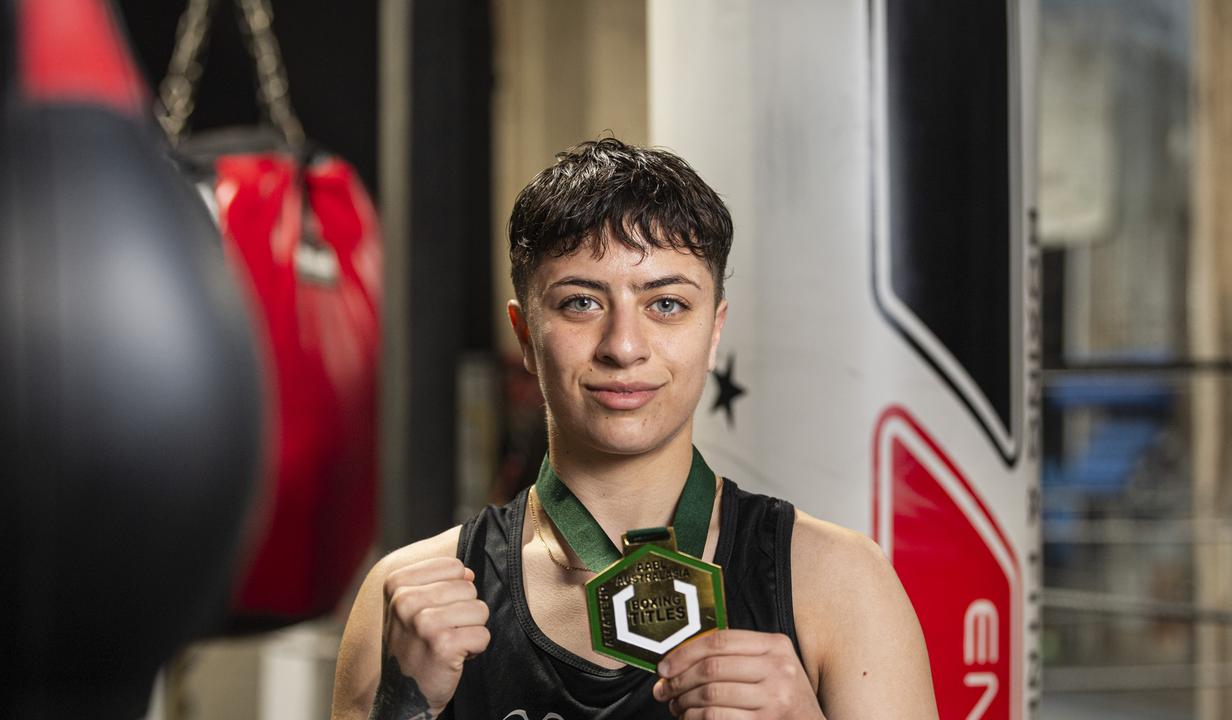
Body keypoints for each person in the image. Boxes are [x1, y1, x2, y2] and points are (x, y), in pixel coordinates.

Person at [331, 138, 937, 719]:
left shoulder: (836, 582)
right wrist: (403, 706)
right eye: (581, 303)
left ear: (714, 330)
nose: (624, 346)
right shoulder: (407, 599)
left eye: (666, 304)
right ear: (525, 336)